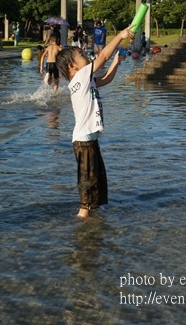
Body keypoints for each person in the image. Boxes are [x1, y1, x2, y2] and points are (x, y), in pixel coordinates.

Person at [55, 25, 135, 218]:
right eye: (82, 55)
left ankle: (92, 218)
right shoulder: (80, 78)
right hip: (84, 141)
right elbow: (102, 58)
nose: (87, 56)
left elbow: (106, 79)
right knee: (88, 183)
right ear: (72, 67)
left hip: (88, 140)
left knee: (96, 182)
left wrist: (117, 61)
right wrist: (120, 36)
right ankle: (82, 221)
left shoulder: (85, 79)